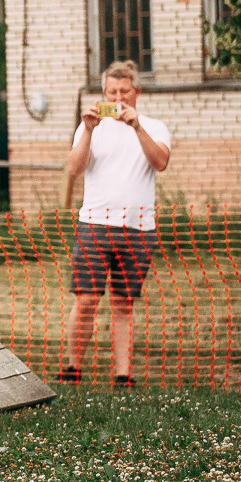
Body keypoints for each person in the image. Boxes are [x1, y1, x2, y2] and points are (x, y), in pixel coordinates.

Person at [60, 60, 171, 386]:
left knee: (123, 302)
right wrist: (89, 129)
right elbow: (74, 169)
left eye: (124, 92)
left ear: (136, 92)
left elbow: (160, 162)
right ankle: (72, 368)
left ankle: (123, 375)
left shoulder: (154, 126)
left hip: (139, 229)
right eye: (112, 92)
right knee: (87, 300)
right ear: (103, 93)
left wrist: (137, 127)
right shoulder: (90, 126)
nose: (118, 97)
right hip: (95, 225)